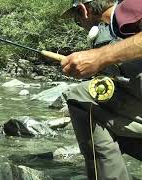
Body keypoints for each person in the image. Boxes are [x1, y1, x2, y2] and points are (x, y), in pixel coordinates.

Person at [61, 0, 142, 179]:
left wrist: (101, 56)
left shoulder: (130, 7)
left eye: (77, 20)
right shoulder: (115, 29)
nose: (80, 25)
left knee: (81, 98)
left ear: (84, 10)